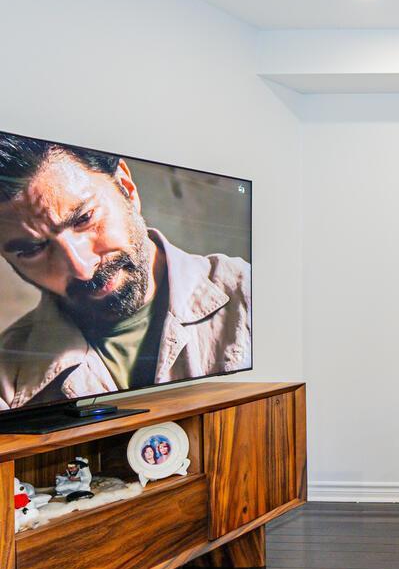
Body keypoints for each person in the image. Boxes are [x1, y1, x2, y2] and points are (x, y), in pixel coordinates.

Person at [0, 137, 250, 409]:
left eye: (84, 219)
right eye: (33, 249)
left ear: (127, 188)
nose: (82, 268)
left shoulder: (251, 295)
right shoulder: (5, 378)